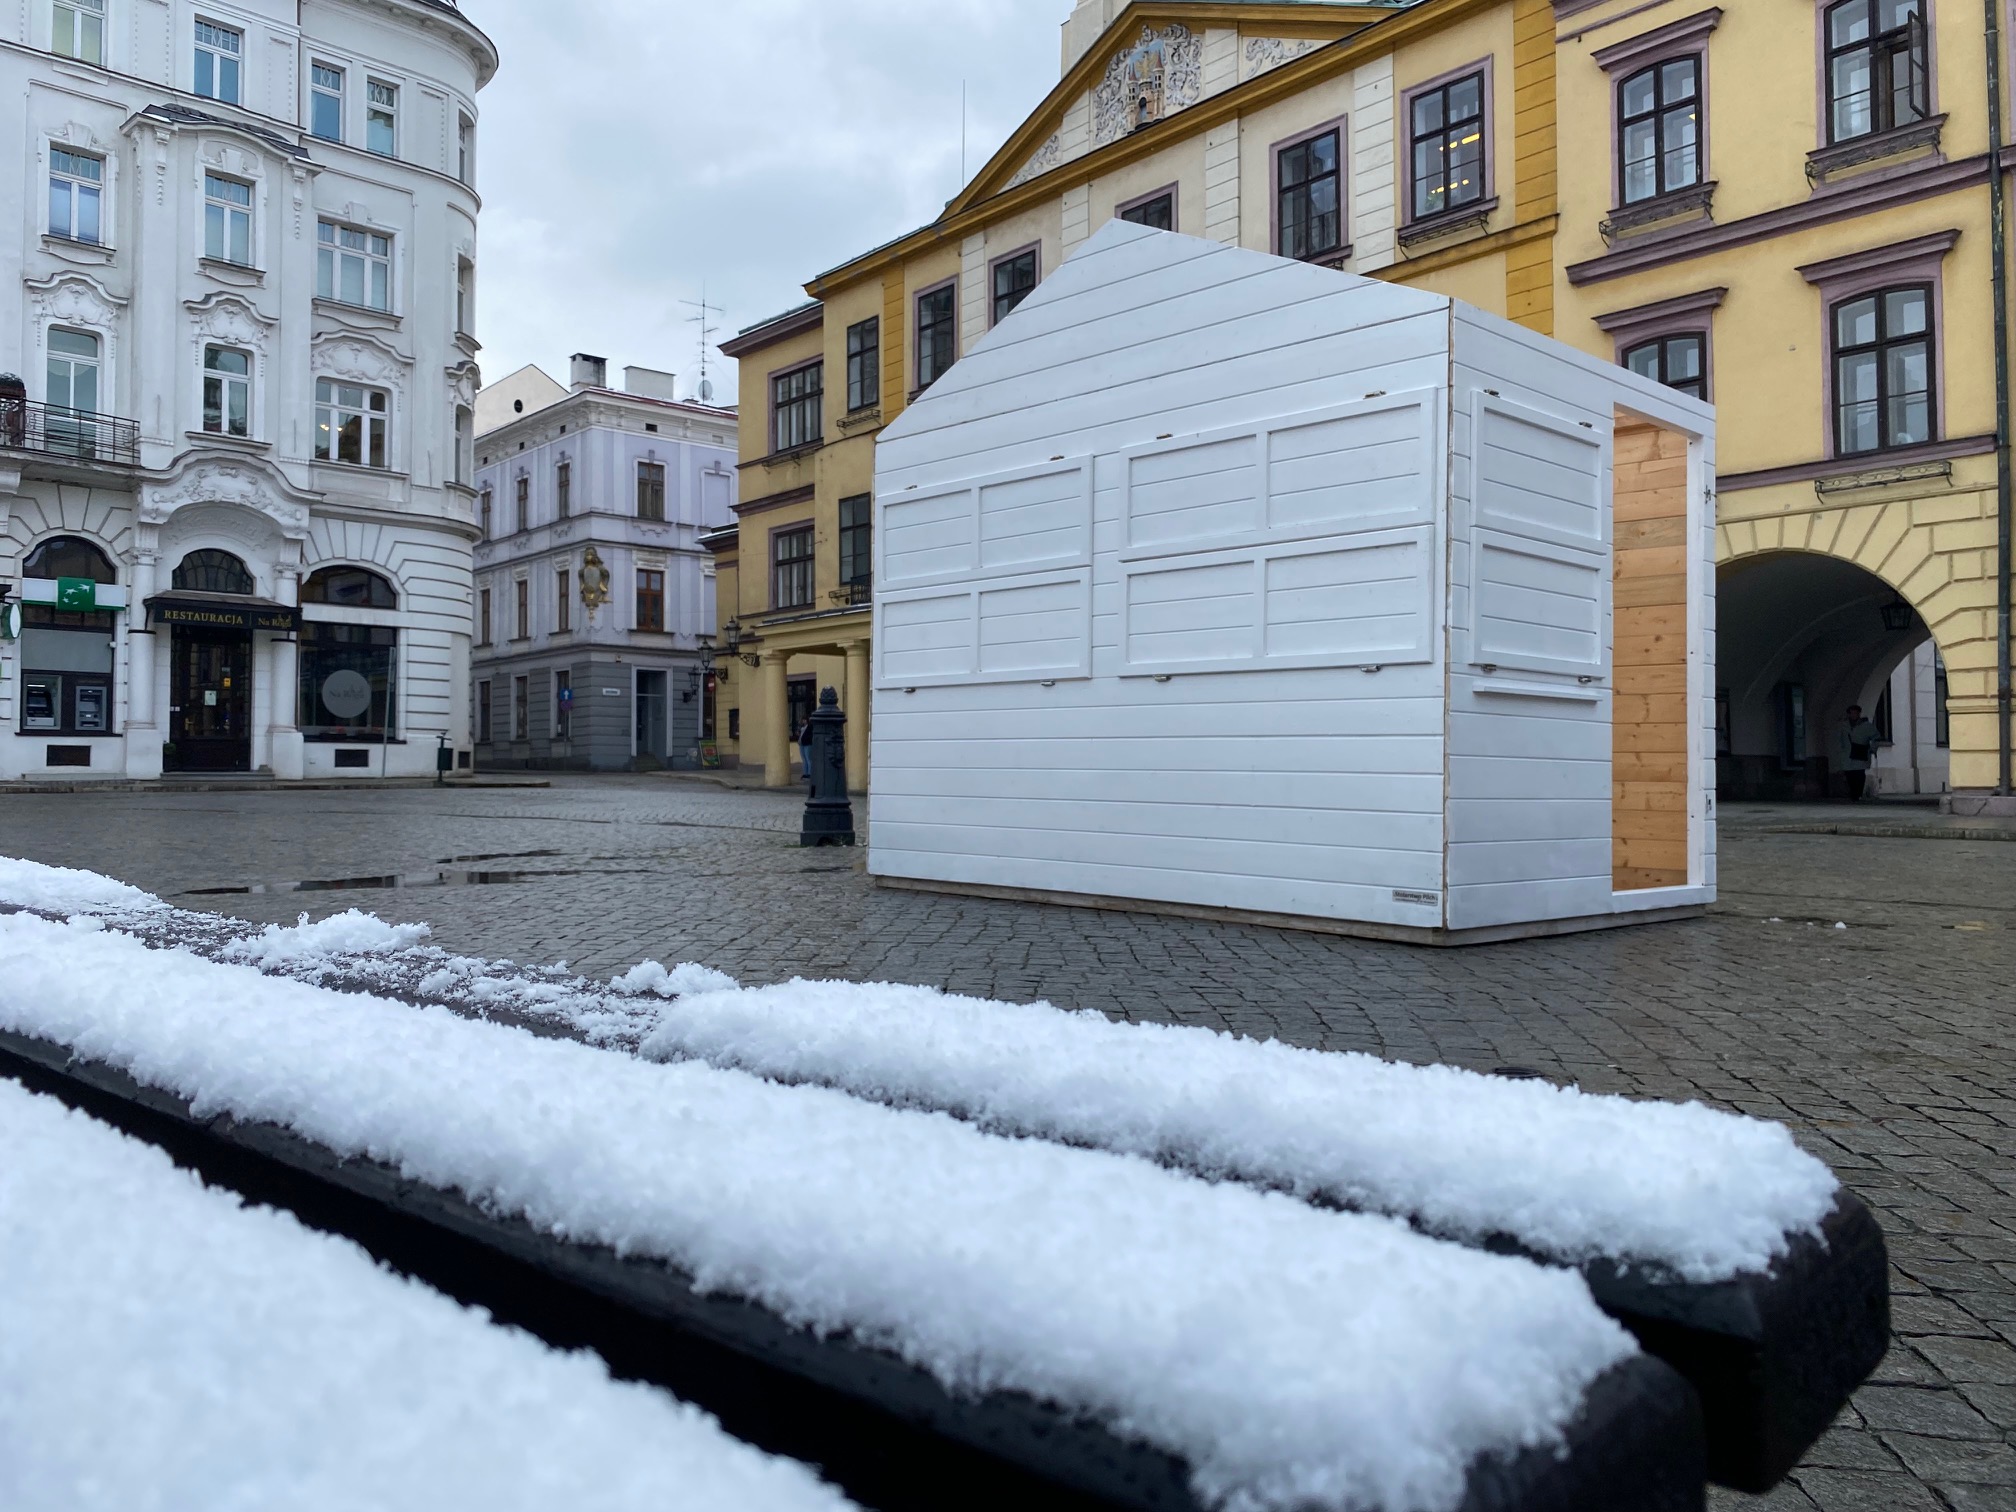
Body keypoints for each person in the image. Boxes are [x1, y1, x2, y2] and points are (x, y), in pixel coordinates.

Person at [1836, 704, 1880, 802]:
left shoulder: (1866, 726)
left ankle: (1858, 794)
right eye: (1852, 713)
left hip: (1861, 752)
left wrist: (1873, 748)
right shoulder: (1844, 726)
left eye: (1856, 713)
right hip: (1847, 754)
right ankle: (1853, 794)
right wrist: (1840, 751)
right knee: (1849, 775)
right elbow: (1840, 740)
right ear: (1848, 714)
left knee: (1859, 774)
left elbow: (1876, 738)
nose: (1854, 715)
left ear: (1859, 714)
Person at [797, 715, 814, 782]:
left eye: (805, 720)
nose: (803, 721)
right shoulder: (801, 727)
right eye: (803, 720)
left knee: (808, 758)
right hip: (801, 744)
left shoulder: (810, 727)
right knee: (804, 759)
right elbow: (800, 734)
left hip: (807, 744)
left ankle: (809, 773)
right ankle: (805, 773)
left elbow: (810, 736)